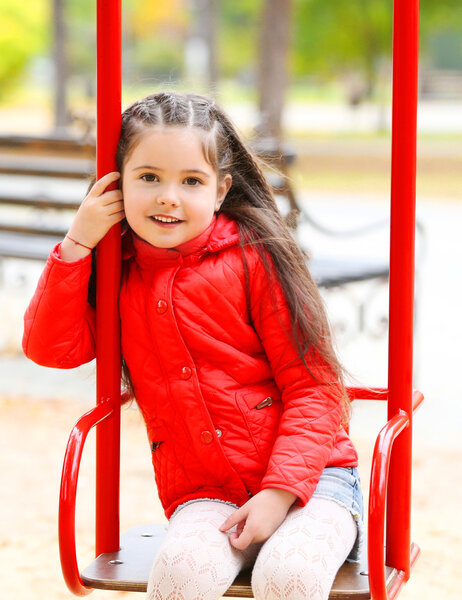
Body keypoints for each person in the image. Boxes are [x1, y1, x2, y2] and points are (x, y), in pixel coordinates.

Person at [23, 91, 364, 600]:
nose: (168, 197)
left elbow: (314, 389)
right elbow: (53, 349)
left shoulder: (256, 259)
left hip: (313, 483)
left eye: (191, 181)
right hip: (207, 493)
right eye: (148, 177)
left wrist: (279, 493)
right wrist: (78, 243)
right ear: (115, 185)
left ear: (221, 189)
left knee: (287, 575)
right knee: (181, 575)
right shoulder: (117, 272)